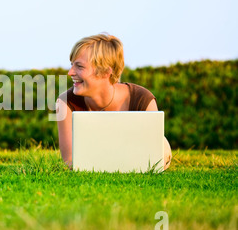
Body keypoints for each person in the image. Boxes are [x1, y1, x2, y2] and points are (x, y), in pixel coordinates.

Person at [56, 33, 172, 170]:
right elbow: (69, 161)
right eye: (72, 65)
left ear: (106, 72)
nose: (70, 72)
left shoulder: (142, 100)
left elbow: (153, 160)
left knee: (162, 146)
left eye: (79, 67)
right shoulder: (65, 103)